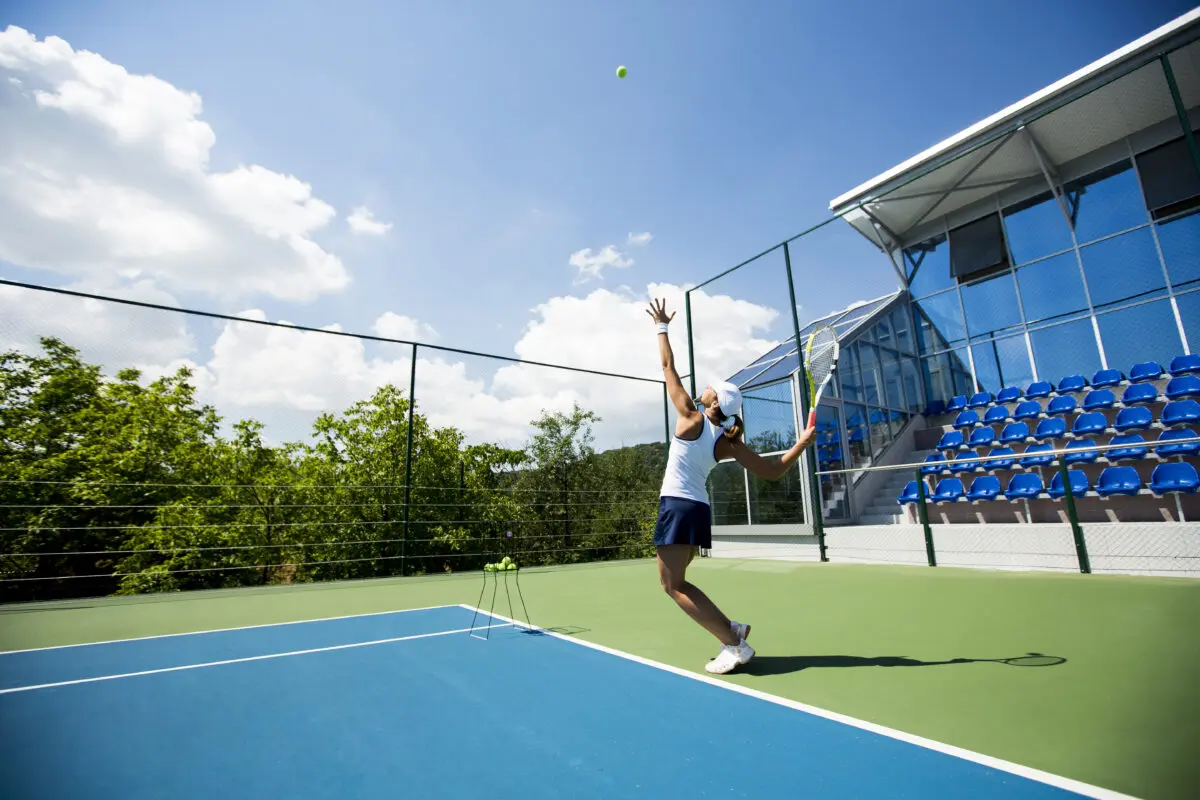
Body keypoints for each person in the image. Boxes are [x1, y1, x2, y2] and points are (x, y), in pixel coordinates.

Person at [646, 297, 817, 674]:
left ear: (712, 402)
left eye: (710, 388)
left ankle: (732, 643)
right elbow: (772, 472)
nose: (705, 387)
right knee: (678, 581)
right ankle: (731, 628)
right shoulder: (727, 440)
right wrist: (800, 445)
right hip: (696, 510)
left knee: (672, 586)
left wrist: (661, 327)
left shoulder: (691, 418)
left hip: (677, 506)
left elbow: (666, 366)